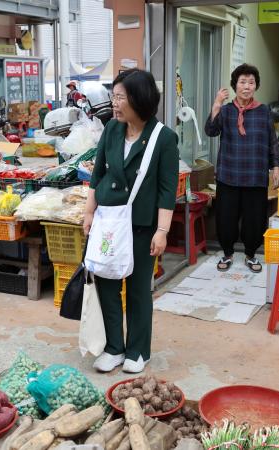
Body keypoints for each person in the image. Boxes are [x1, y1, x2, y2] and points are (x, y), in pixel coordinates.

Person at [84, 69, 179, 374]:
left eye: (120, 97)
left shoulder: (163, 137)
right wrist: (88, 213)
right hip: (108, 222)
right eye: (113, 96)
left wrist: (162, 231)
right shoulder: (112, 129)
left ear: (139, 99)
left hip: (141, 225)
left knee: (138, 289)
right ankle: (114, 347)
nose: (114, 103)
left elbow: (167, 189)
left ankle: (138, 350)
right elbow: (97, 174)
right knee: (107, 284)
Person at [204, 63, 279, 274]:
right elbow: (210, 131)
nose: (246, 87)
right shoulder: (227, 111)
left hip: (255, 174)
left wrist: (275, 166)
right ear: (235, 85)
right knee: (226, 216)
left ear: (256, 86)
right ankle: (227, 253)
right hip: (229, 173)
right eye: (242, 82)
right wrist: (217, 105)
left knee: (255, 217)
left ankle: (250, 254)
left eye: (251, 82)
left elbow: (272, 141)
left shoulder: (263, 111)